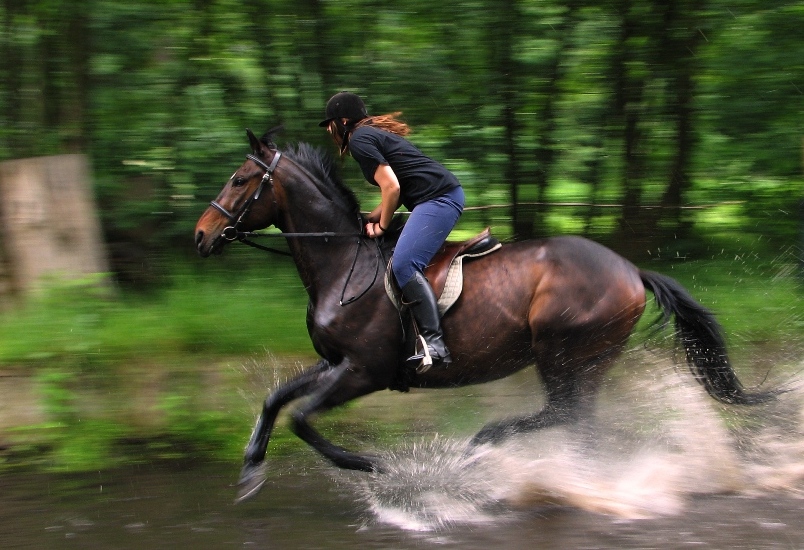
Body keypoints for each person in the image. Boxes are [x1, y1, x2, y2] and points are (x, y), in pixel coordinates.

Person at [319, 91, 465, 370]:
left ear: (344, 120)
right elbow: (393, 191)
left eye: (330, 122)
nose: (328, 129)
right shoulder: (367, 134)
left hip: (439, 199)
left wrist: (382, 225)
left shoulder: (360, 139)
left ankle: (434, 344)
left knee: (404, 265)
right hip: (433, 198)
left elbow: (392, 187)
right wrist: (366, 218)